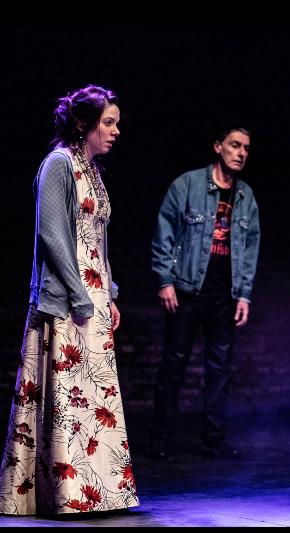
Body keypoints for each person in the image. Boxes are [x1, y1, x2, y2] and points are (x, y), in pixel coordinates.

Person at [0, 85, 139, 515]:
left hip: (93, 294)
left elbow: (97, 239)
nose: (115, 131)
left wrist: (109, 294)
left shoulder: (91, 169)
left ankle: (98, 491)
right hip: (67, 297)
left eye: (116, 123)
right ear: (83, 123)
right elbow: (53, 235)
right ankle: (62, 494)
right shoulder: (59, 163)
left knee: (95, 397)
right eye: (108, 122)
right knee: (66, 396)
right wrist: (81, 297)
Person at [148, 126, 260, 460]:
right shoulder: (187, 185)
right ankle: (160, 439)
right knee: (174, 364)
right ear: (218, 147)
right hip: (186, 289)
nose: (241, 153)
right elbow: (164, 232)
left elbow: (250, 248)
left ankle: (214, 440)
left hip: (224, 294)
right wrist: (164, 280)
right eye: (235, 145)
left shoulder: (245, 196)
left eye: (246, 148)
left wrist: (244, 294)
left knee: (220, 368)